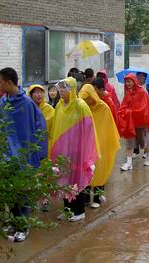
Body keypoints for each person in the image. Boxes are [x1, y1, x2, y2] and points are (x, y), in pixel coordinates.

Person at [0, 67, 47, 242]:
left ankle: (23, 225)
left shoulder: (26, 103)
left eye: (0, 82)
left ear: (8, 82)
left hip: (24, 155)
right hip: (6, 155)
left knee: (23, 191)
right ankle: (14, 221)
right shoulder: (2, 102)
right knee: (10, 190)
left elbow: (39, 128)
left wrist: (38, 154)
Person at [50, 77, 99, 222]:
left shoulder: (80, 105)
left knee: (76, 179)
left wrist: (84, 149)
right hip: (62, 150)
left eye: (65, 87)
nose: (61, 90)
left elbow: (88, 128)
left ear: (72, 89)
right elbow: (56, 126)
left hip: (77, 150)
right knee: (64, 179)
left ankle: (79, 211)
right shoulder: (59, 105)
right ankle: (67, 210)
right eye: (60, 87)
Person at [79, 84, 120, 209]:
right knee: (85, 169)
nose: (86, 101)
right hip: (86, 143)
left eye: (88, 98)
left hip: (101, 143)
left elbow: (109, 127)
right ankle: (85, 197)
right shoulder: (82, 108)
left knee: (99, 169)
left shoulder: (104, 108)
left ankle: (97, 197)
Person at [118, 74, 149, 171]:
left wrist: (132, 112)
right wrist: (124, 112)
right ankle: (128, 163)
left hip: (141, 122)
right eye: (126, 82)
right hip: (130, 122)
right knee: (130, 142)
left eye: (129, 81)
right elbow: (124, 106)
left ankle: (148, 154)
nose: (127, 84)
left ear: (134, 81)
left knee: (143, 142)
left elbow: (144, 107)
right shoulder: (128, 93)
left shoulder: (142, 92)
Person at [133, 72, 149, 157]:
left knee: (147, 133)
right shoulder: (133, 87)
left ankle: (147, 151)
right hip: (136, 113)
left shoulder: (148, 87)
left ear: (145, 78)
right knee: (135, 132)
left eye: (141, 76)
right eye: (137, 76)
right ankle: (136, 150)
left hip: (146, 113)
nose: (139, 78)